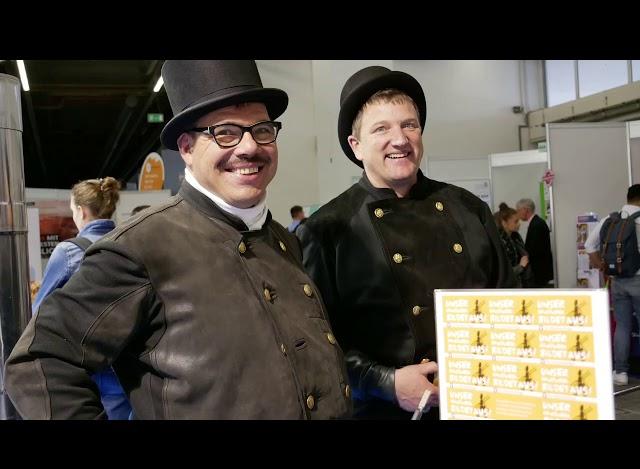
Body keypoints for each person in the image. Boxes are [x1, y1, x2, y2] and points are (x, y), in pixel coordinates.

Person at [5, 60, 352, 420]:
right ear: (186, 147)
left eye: (262, 129)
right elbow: (40, 361)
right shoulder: (139, 247)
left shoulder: (282, 239)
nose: (250, 146)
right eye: (226, 132)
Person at [297, 65, 515, 419]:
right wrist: (385, 382)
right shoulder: (327, 229)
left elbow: (508, 301)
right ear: (356, 146)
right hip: (383, 411)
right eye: (381, 128)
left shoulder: (469, 208)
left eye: (409, 125)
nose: (400, 139)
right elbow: (317, 347)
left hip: (479, 402)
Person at [31, 177, 132, 420]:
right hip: (130, 365)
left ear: (81, 210)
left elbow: (40, 313)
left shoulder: (69, 251)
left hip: (89, 369)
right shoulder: (130, 242)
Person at [585, 184, 640, 386]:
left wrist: (601, 266)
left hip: (617, 281)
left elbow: (589, 245)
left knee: (623, 326)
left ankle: (620, 372)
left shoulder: (611, 220)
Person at [516, 198, 554, 287]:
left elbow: (533, 250)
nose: (517, 214)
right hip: (540, 271)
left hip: (539, 271)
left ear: (525, 210)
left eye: (518, 210)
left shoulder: (536, 225)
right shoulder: (537, 222)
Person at [494, 203, 533, 288]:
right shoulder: (499, 243)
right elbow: (501, 272)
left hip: (520, 283)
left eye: (518, 221)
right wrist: (521, 266)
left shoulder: (515, 237)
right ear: (504, 223)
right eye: (516, 221)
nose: (519, 224)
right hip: (507, 288)